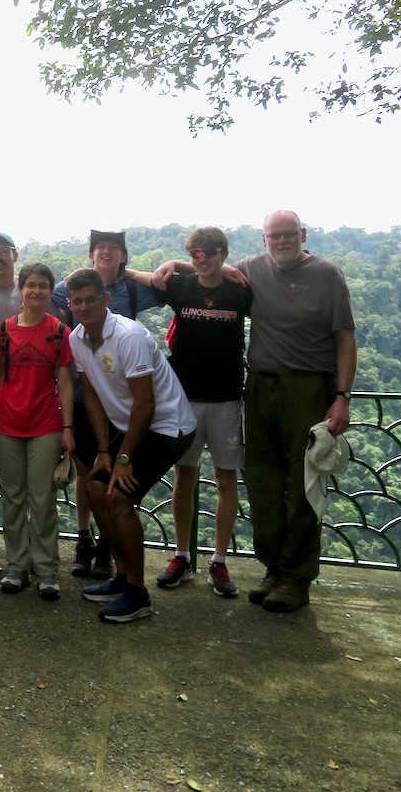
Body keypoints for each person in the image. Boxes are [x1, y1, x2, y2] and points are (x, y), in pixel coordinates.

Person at [227, 210, 356, 613]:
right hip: (260, 385)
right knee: (262, 481)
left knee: (303, 483)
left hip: (307, 387)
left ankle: (297, 579)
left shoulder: (327, 275)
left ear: (302, 234)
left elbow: (345, 338)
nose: (281, 241)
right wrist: (173, 264)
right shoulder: (252, 270)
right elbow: (210, 272)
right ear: (263, 240)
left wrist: (342, 396)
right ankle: (274, 569)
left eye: (288, 234)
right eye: (273, 236)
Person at [66, 268, 195, 623]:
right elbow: (91, 394)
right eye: (77, 301)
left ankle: (137, 594)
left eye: (91, 298)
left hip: (169, 427)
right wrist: (105, 451)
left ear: (106, 299)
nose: (84, 306)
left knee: (118, 496)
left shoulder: (128, 336)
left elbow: (146, 403)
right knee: (94, 488)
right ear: (71, 305)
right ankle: (121, 577)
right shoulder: (77, 339)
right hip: (130, 426)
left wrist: (123, 457)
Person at [144, 227, 252, 598]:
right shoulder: (181, 286)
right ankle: (181, 555)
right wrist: (169, 263)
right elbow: (136, 276)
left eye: (208, 251)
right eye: (194, 252)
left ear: (223, 253)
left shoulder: (240, 290)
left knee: (225, 480)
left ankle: (219, 560)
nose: (201, 258)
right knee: (184, 476)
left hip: (225, 398)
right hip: (184, 397)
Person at [51, 230, 161, 582]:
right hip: (86, 395)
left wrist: (146, 270)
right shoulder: (66, 291)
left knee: (117, 480)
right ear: (90, 255)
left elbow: (167, 285)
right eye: (100, 248)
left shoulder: (130, 291)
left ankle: (110, 552)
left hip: (125, 399)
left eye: (114, 249)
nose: (107, 253)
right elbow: (55, 309)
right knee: (90, 473)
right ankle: (87, 539)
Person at [0, 263, 75, 601]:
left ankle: (47, 569)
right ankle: (16, 564)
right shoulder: (3, 331)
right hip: (7, 423)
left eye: (43, 285)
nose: (37, 291)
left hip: (45, 424)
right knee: (12, 496)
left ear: (49, 290)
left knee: (42, 499)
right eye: (31, 285)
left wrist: (68, 427)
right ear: (20, 290)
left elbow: (65, 382)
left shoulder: (59, 332)